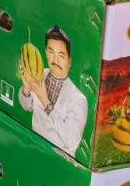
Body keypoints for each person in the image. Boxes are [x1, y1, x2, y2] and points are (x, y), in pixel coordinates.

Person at [18, 27, 87, 156]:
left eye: (61, 55)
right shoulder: (40, 73)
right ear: (46, 53)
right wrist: (26, 89)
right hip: (35, 149)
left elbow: (72, 142)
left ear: (69, 61)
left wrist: (45, 101)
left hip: (59, 161)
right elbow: (27, 106)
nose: (55, 60)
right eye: (51, 52)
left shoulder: (78, 99)